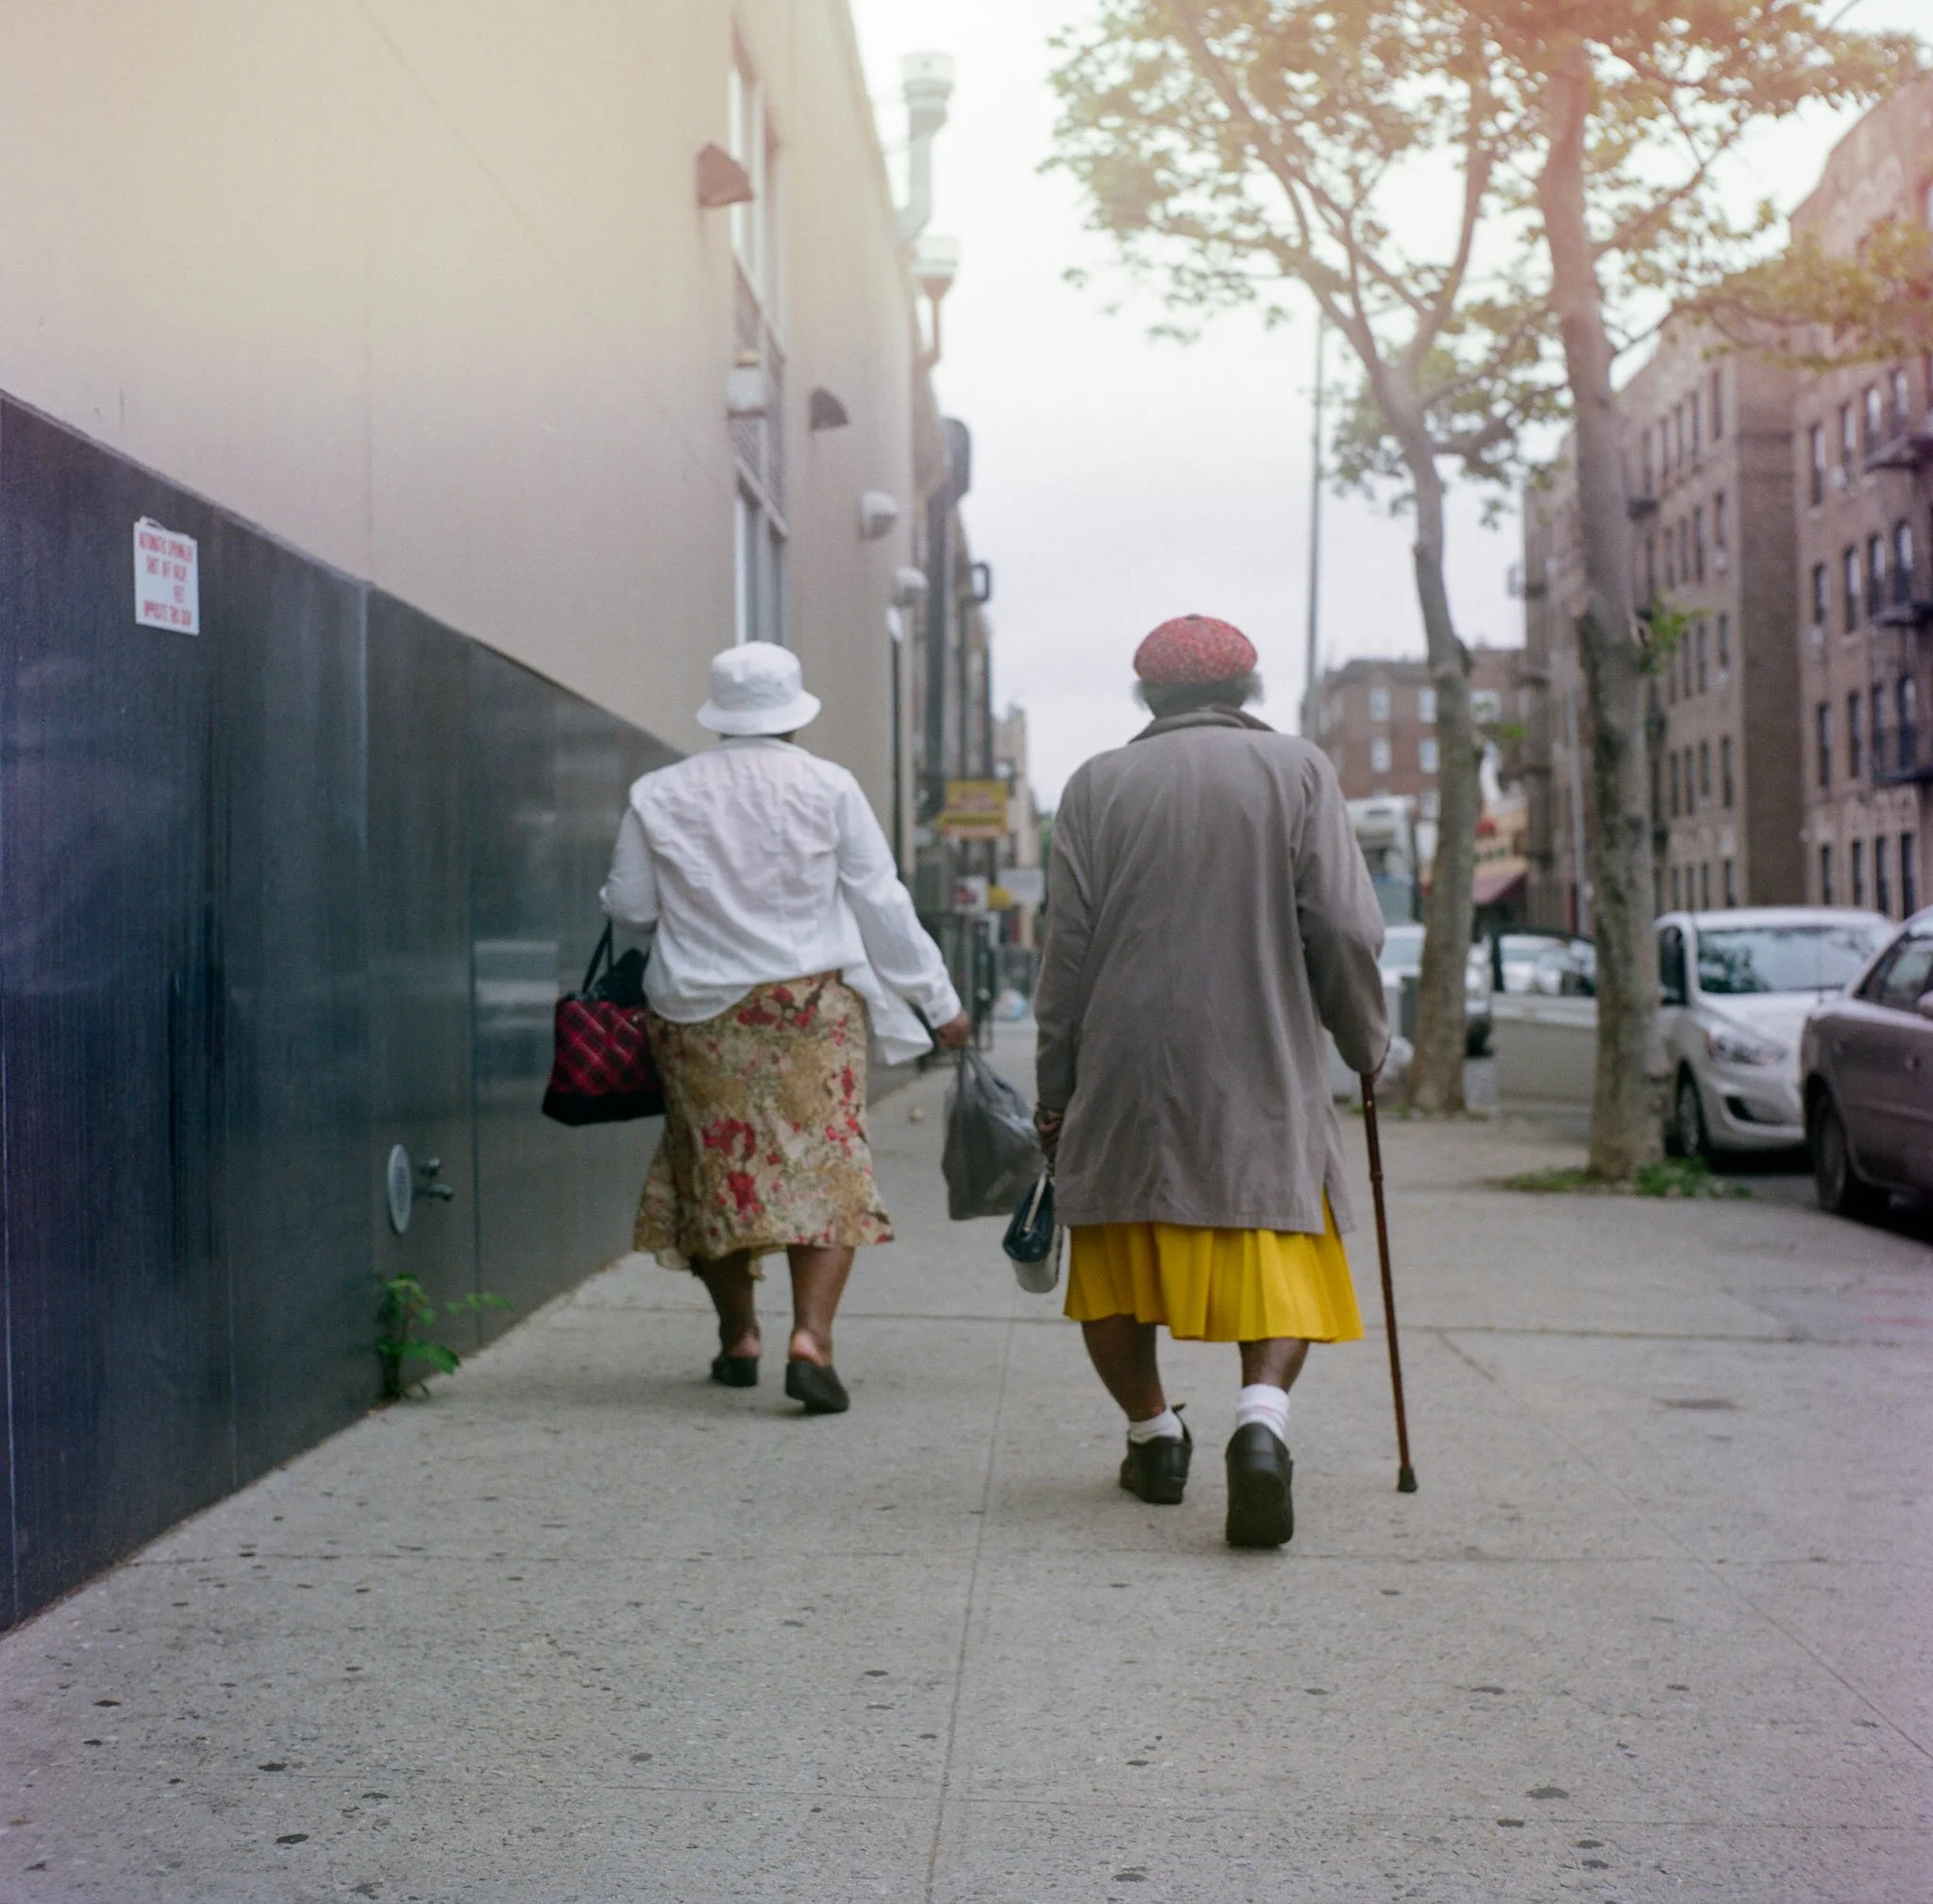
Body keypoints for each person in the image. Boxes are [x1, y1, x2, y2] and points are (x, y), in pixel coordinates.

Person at [1033, 615, 1387, 1547]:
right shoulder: (1298, 770)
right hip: (1260, 1060)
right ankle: (1259, 1424)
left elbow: (1062, 953)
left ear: (1145, 695)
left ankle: (1152, 1438)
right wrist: (1364, 1039)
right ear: (1246, 689)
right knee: (1277, 1243)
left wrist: (1054, 1085)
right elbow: (1345, 928)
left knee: (1111, 1260)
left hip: (1122, 1070)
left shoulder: (1094, 784)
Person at [600, 642, 970, 1414]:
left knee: (715, 1173)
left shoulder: (657, 792)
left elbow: (632, 909)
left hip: (699, 1013)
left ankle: (740, 1337)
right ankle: (812, 1340)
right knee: (827, 1169)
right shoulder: (829, 785)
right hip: (811, 1008)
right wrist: (939, 1002)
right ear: (796, 715)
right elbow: (881, 899)